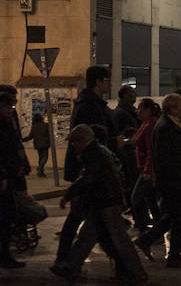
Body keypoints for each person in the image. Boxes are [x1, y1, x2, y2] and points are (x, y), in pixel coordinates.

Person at [50, 124, 146, 282]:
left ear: (81, 141)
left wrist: (68, 194)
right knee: (88, 236)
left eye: (74, 142)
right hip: (103, 201)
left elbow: (87, 178)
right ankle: (70, 266)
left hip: (106, 202)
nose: (73, 147)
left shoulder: (93, 153)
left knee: (118, 239)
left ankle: (135, 272)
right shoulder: (99, 150)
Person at [58, 66, 120, 264]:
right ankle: (65, 261)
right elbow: (91, 140)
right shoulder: (89, 106)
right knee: (86, 219)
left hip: (91, 172)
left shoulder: (90, 104)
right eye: (107, 80)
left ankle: (67, 262)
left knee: (94, 221)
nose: (109, 83)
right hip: (91, 171)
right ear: (99, 82)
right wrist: (114, 143)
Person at [133, 94, 181, 269]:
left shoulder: (172, 124)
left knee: (172, 216)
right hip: (170, 180)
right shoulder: (165, 127)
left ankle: (146, 240)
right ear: (172, 108)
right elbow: (163, 157)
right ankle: (173, 256)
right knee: (178, 216)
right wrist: (176, 173)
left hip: (173, 179)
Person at [0, 92, 27, 269]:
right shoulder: (2, 125)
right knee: (5, 216)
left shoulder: (7, 123)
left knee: (7, 216)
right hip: (4, 177)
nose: (10, 109)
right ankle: (4, 256)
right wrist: (2, 174)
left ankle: (5, 255)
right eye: (7, 106)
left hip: (9, 176)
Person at [131, 98, 160, 234]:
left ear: (148, 110)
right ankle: (159, 226)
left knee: (136, 198)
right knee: (151, 199)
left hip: (147, 170)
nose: (138, 111)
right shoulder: (145, 124)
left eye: (140, 108)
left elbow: (150, 150)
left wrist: (148, 170)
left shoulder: (149, 126)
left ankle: (144, 229)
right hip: (144, 167)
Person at [114, 86, 140, 203]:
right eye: (131, 93)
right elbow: (123, 135)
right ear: (124, 95)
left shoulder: (131, 111)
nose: (134, 95)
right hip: (128, 152)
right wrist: (129, 141)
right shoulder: (122, 113)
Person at [23, 113, 51, 178]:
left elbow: (30, 136)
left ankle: (41, 172)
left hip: (37, 144)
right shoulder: (46, 125)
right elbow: (49, 135)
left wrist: (23, 139)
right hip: (45, 143)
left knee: (41, 157)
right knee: (45, 157)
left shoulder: (34, 126)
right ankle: (40, 168)